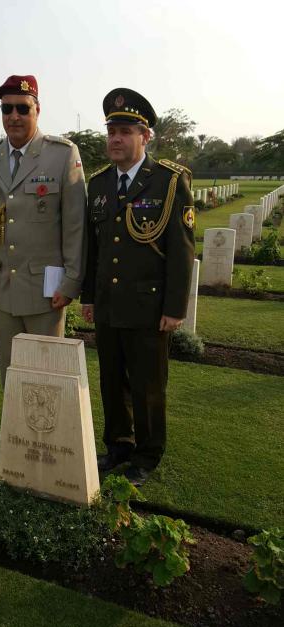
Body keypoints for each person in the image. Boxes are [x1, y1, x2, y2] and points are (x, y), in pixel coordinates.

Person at [80, 88, 195, 486]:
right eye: (111, 130)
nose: (115, 138)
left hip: (149, 307)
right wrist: (89, 298)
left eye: (125, 131)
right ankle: (119, 445)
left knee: (147, 386)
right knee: (112, 380)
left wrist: (175, 307)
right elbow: (94, 249)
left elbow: (181, 250)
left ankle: (147, 454)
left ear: (145, 136)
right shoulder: (98, 185)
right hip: (110, 305)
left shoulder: (168, 181)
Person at [0, 74, 86, 386]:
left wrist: (71, 281)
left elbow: (75, 224)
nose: (14, 116)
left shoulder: (62, 154)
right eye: (7, 110)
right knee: (9, 371)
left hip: (46, 290)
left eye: (22, 108)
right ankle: (14, 434)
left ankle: (48, 435)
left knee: (48, 372)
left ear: (37, 110)